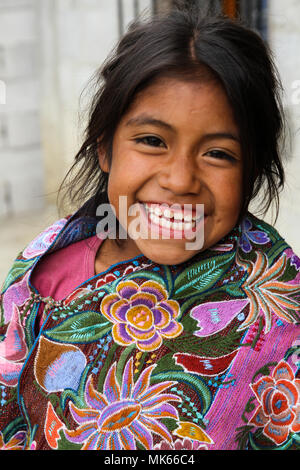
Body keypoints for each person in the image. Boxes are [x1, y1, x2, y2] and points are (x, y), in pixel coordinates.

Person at [0, 4, 299, 451]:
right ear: (105, 149)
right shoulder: (45, 273)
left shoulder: (280, 316)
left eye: (218, 153)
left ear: (251, 172)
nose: (180, 180)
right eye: (152, 141)